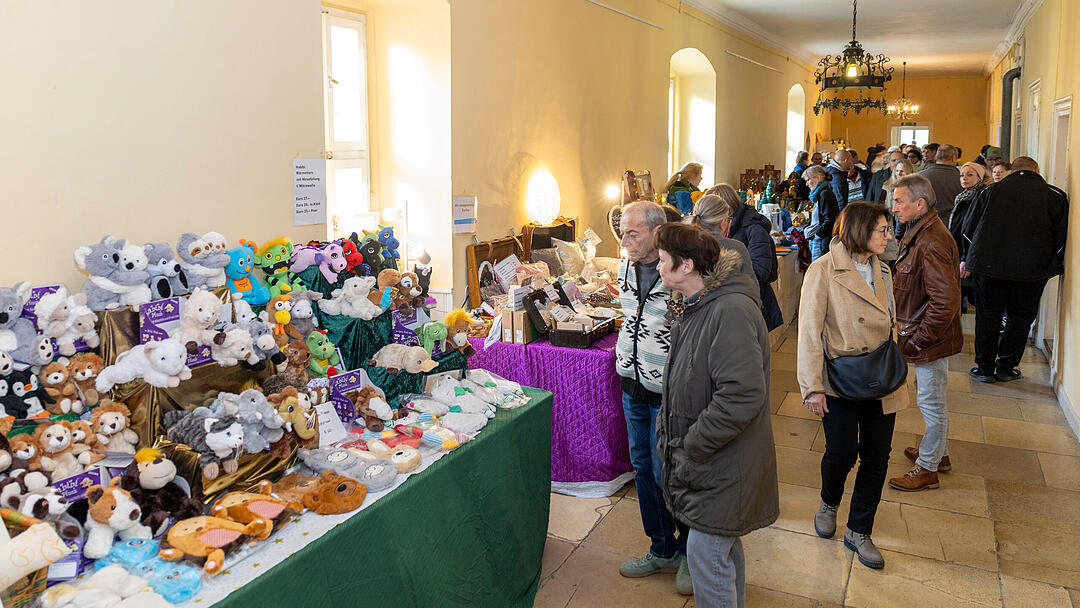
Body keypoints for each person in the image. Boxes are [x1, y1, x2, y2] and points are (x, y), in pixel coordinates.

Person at [654, 222, 777, 608]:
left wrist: (691, 447)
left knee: (708, 557)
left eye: (662, 260)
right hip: (715, 465)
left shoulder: (729, 310)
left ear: (686, 265)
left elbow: (741, 396)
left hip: (723, 465)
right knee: (721, 551)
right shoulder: (698, 306)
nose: (657, 268)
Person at [799, 202, 904, 570]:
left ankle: (859, 530)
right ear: (859, 230)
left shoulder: (884, 270)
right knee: (842, 452)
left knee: (877, 455)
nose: (888, 235)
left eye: (888, 229)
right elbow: (809, 332)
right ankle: (829, 501)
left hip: (882, 377)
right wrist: (812, 386)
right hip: (841, 379)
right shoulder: (823, 270)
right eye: (881, 229)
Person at [614, 201, 692, 593]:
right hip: (632, 380)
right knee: (643, 466)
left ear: (656, 232)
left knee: (674, 471)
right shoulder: (625, 263)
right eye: (621, 231)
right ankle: (661, 547)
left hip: (669, 388)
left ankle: (692, 553)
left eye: (632, 233)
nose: (623, 240)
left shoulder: (680, 267)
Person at [885, 175, 963, 492]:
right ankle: (938, 453)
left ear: (920, 204)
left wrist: (920, 339)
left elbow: (945, 302)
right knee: (931, 400)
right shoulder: (921, 232)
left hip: (928, 339)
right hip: (923, 336)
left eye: (899, 201)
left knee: (931, 403)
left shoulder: (931, 240)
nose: (894, 207)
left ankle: (928, 467)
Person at [962, 156, 1069, 382]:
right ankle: (1007, 366)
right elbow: (1062, 238)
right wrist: (1050, 265)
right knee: (1020, 318)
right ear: (1036, 170)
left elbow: (967, 229)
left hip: (988, 267)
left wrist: (973, 257)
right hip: (1032, 271)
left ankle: (985, 367)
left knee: (988, 316)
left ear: (1013, 170)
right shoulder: (1055, 196)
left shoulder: (988, 192)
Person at [688, 188, 783, 330]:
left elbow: (761, 270)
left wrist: (727, 275)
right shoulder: (702, 239)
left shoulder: (753, 229)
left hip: (748, 305)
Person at [949, 162, 990, 313]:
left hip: (968, 254)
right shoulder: (963, 196)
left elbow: (972, 231)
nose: (964, 178)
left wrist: (966, 258)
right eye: (962, 175)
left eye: (970, 175)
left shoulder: (978, 197)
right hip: (960, 251)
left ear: (980, 177)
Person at [804, 165, 839, 261]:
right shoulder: (820, 194)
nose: (807, 184)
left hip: (821, 241)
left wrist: (818, 235)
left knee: (818, 272)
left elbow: (830, 219)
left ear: (818, 178)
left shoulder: (825, 194)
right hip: (817, 240)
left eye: (808, 180)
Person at [920, 144, 962, 223]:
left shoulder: (920, 176)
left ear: (936, 156)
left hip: (925, 224)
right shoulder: (962, 178)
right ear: (954, 158)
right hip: (952, 224)